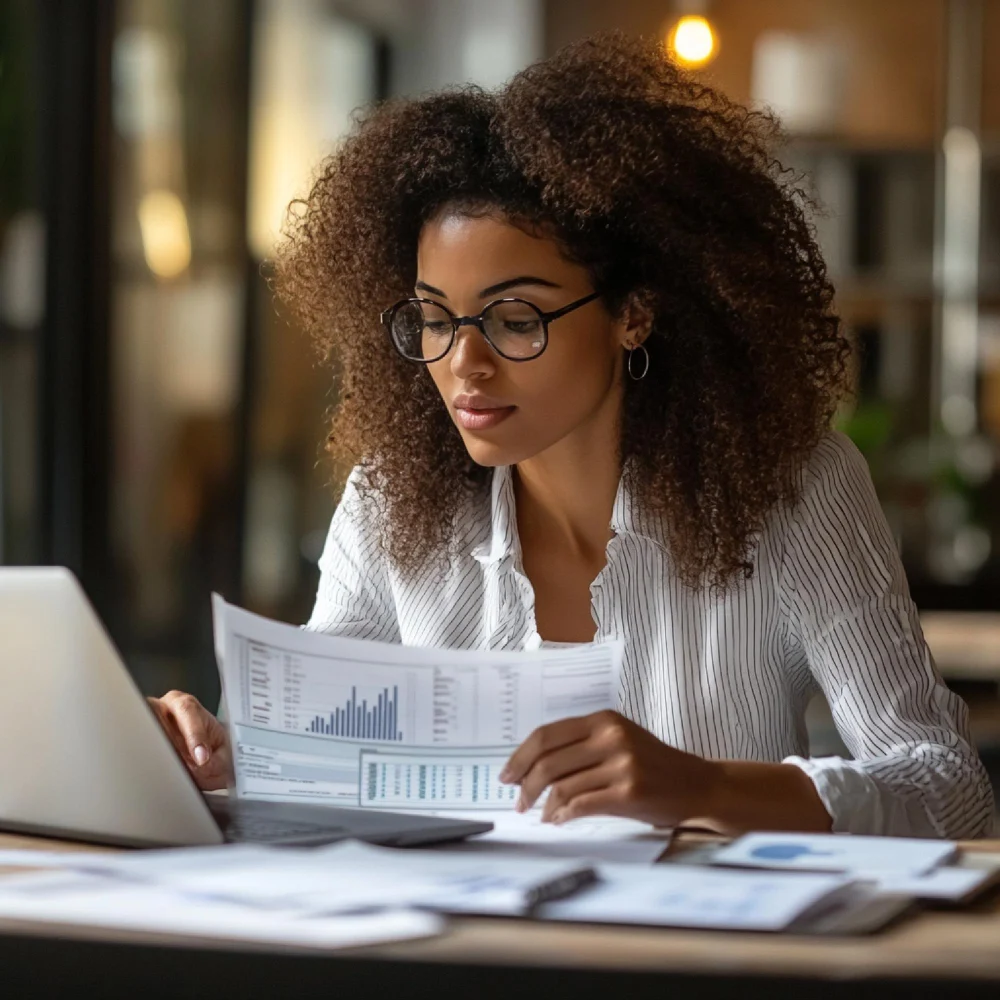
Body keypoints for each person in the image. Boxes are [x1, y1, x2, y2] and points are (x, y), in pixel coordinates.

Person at [149, 33, 994, 838]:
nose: (463, 364)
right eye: (434, 319)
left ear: (634, 313)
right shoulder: (390, 504)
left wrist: (701, 787)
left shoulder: (791, 488)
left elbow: (950, 789)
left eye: (516, 319)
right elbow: (315, 752)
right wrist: (219, 758)